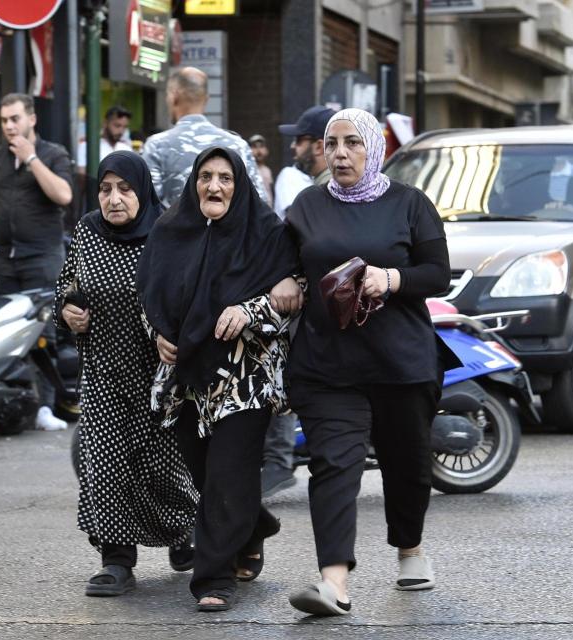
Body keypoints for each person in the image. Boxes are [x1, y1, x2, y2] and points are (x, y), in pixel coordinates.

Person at [284, 108, 455, 616]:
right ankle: (333, 582)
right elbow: (285, 261)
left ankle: (410, 548)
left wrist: (392, 279)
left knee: (407, 465)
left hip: (400, 361)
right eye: (332, 143)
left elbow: (438, 273)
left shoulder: (410, 204)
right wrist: (285, 280)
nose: (340, 153)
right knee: (332, 465)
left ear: (374, 148)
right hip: (326, 363)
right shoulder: (306, 206)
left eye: (352, 143)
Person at [137, 147, 301, 612]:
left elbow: (294, 294)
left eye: (225, 178)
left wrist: (246, 311)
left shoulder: (266, 232)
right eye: (206, 177)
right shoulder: (171, 230)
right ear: (194, 182)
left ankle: (214, 578)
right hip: (185, 378)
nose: (214, 186)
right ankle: (254, 526)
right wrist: (158, 335)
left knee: (228, 474)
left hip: (244, 376)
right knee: (206, 474)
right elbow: (148, 292)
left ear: (240, 184)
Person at [54, 151, 197, 596]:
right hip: (103, 372)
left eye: (125, 189)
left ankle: (182, 535)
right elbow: (66, 284)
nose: (114, 199)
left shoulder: (167, 231)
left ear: (142, 190)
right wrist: (68, 310)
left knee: (166, 464)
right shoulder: (87, 232)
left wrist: (169, 330)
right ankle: (116, 560)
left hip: (159, 375)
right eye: (105, 189)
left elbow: (187, 291)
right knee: (106, 463)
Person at [0, 92, 72, 431]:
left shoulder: (53, 154)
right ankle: (6, 406)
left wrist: (32, 159)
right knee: (4, 331)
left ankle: (46, 406)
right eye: (4, 120)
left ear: (32, 119)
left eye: (15, 119)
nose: (9, 126)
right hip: (5, 259)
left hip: (43, 257)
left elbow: (64, 195)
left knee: (44, 333)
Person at [261, 105, 337, 498]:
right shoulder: (312, 194)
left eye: (301, 140)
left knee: (276, 352)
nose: (294, 148)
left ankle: (278, 457)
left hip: (333, 317)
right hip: (322, 308)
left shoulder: (328, 194)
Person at [142, 67, 267, 207]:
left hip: (175, 228)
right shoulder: (238, 145)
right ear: (206, 99)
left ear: (174, 96)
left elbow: (147, 206)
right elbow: (259, 204)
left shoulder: (157, 146)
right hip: (229, 229)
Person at [273, 106, 336, 218]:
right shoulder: (337, 185)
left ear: (318, 147)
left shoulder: (329, 190)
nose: (292, 146)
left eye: (299, 140)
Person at [76, 104, 133, 172]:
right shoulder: (87, 147)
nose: (121, 131)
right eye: (117, 125)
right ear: (105, 123)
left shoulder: (126, 148)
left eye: (125, 127)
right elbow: (82, 175)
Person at [248, 134, 274, 206]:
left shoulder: (268, 171)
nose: (258, 150)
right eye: (254, 147)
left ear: (266, 150)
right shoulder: (247, 171)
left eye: (261, 146)